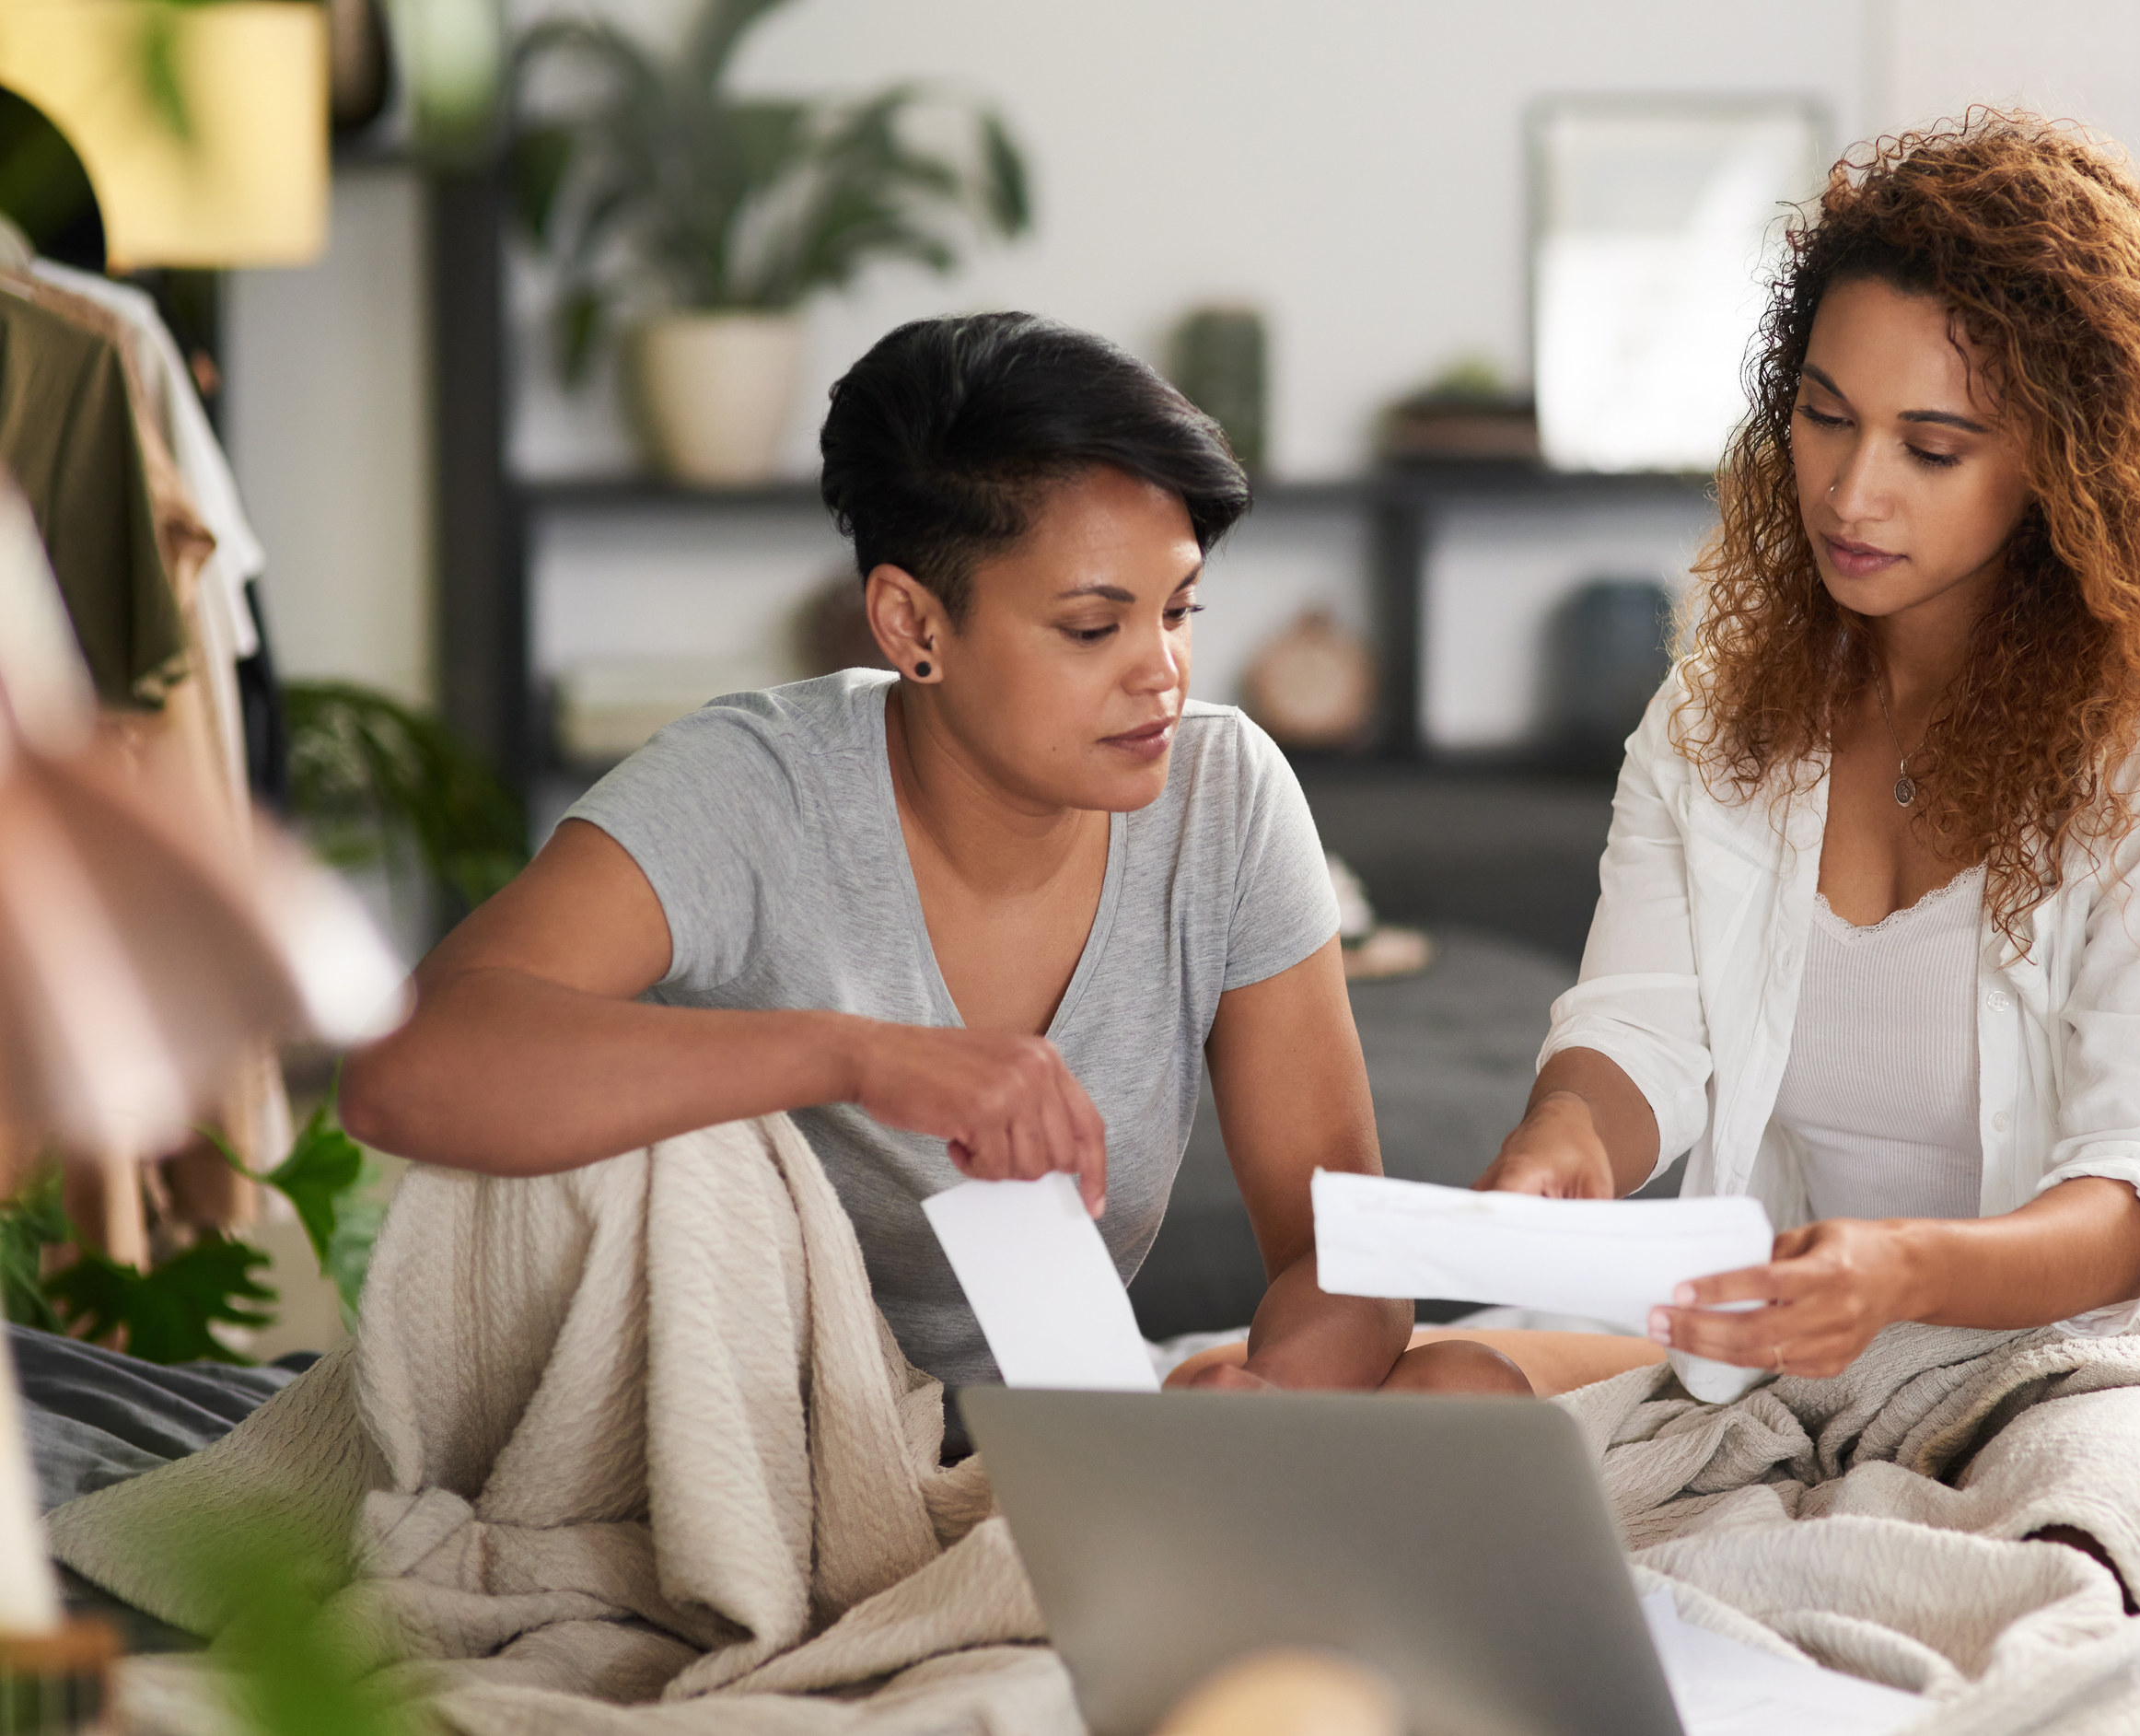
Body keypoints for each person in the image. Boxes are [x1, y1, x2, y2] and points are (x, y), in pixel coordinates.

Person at [342, 311, 1528, 1417]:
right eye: (1090, 627)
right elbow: (405, 1070)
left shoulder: (1225, 795)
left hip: (1051, 1445)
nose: (1160, 672)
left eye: (1179, 611)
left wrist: (1272, 1403)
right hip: (738, 1438)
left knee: (1471, 1394)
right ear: (913, 627)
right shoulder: (754, 787)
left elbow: (1344, 1252)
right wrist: (860, 1058)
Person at [1474, 112, 2140, 1393]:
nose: (1851, 492)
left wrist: (1898, 1272)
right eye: (1825, 418)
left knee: (2068, 1534)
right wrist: (1565, 1136)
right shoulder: (1716, 714)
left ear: (2066, 465)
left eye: (1932, 448)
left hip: (2113, 1361)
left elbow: (2134, 1199)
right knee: (1429, 1403)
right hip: (1810, 1355)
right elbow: (1644, 1028)